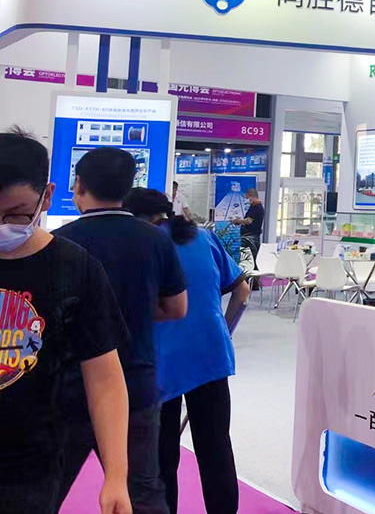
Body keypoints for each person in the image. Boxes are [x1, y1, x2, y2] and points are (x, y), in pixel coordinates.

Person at [0, 130, 131, 514]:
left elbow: (105, 379)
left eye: (16, 214)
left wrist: (117, 475)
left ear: (47, 196)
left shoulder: (74, 268)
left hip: (31, 466)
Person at [55, 148, 189, 514]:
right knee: (141, 492)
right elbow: (177, 307)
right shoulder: (155, 239)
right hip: (135, 382)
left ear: (78, 185)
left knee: (46, 488)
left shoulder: (61, 242)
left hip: (70, 384)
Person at [124, 189, 249, 514]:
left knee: (162, 453)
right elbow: (243, 290)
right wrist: (224, 330)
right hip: (211, 356)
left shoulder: (141, 245)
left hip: (161, 363)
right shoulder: (204, 237)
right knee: (216, 447)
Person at [230, 188, 263, 262]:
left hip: (250, 237)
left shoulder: (257, 207)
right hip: (250, 236)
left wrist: (238, 221)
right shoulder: (254, 207)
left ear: (252, 196)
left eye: (247, 197)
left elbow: (249, 220)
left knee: (249, 258)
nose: (246, 200)